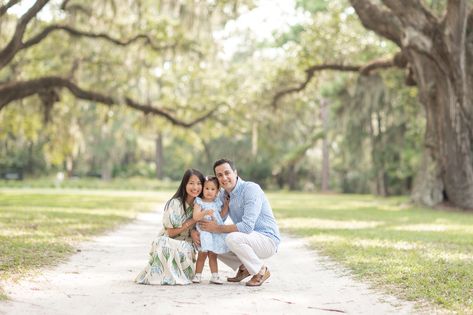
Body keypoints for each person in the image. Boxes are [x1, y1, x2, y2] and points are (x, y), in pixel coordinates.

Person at [199, 158, 281, 287]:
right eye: (219, 175)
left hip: (267, 239)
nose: (224, 178)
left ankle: (260, 270)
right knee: (211, 240)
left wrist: (217, 228)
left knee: (232, 238)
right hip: (249, 238)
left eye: (227, 173)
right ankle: (245, 268)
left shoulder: (251, 189)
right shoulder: (223, 194)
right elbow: (219, 219)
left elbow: (247, 227)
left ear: (235, 173)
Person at [135, 169, 204, 285]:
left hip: (186, 246)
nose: (195, 187)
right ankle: (161, 276)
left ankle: (173, 275)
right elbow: (171, 233)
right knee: (162, 242)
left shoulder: (202, 205)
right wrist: (193, 220)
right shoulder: (175, 203)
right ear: (184, 184)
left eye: (199, 183)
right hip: (169, 240)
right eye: (191, 183)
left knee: (173, 245)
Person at [191, 176, 229, 284]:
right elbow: (195, 217)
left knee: (213, 254)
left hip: (215, 232)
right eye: (207, 188)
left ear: (217, 192)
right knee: (202, 254)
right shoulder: (199, 202)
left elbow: (220, 216)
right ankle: (198, 275)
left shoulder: (216, 203)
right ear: (202, 188)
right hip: (204, 232)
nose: (209, 191)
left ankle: (215, 275)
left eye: (212, 189)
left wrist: (226, 206)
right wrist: (205, 212)